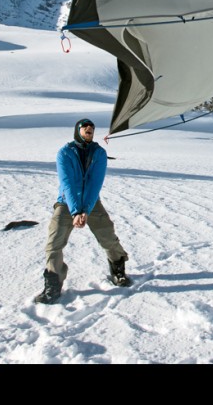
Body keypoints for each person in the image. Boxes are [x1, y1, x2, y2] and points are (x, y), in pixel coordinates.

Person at [33, 118, 132, 304]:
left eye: (92, 127)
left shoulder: (99, 153)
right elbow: (67, 183)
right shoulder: (64, 153)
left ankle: (118, 268)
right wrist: (76, 210)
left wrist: (85, 209)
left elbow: (95, 183)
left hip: (91, 202)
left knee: (107, 235)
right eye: (85, 126)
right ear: (77, 130)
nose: (89, 129)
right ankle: (53, 284)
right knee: (54, 241)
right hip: (66, 203)